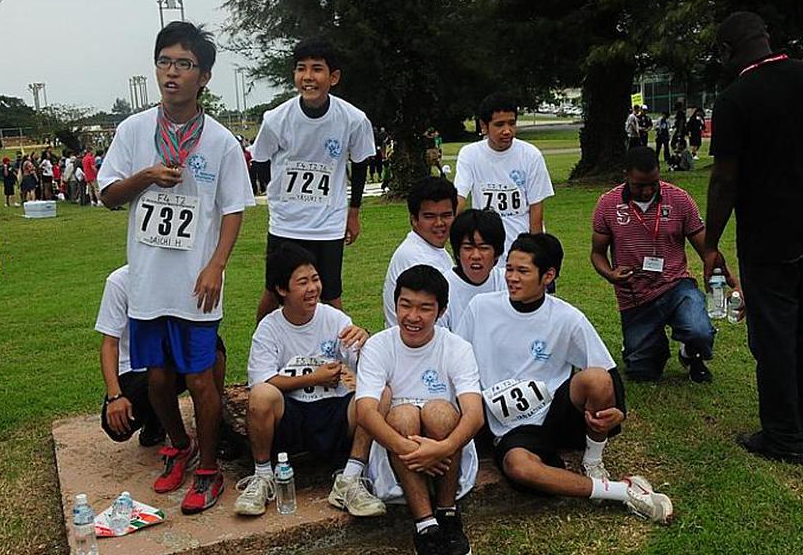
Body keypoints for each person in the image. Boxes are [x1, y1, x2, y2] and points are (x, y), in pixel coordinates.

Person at [98, 21, 255, 514]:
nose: (172, 73)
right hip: (147, 281)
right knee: (159, 379)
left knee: (202, 379)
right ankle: (178, 444)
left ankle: (208, 469)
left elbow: (233, 209)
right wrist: (144, 176)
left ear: (203, 76)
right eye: (164, 62)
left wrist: (217, 265)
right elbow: (106, 195)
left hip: (197, 285)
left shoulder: (222, 143)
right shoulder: (133, 131)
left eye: (184, 64)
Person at [705, 11, 803, 464]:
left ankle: (784, 436)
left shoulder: (735, 100)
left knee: (774, 335)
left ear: (728, 52)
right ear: (767, 37)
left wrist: (711, 243)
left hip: (770, 238)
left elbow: (725, 179)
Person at [456, 233, 673, 525]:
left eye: (523, 271)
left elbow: (606, 370)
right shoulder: (480, 308)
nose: (512, 278)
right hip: (509, 424)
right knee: (519, 468)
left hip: (557, 411)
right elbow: (456, 361)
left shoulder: (567, 317)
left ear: (548, 275)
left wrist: (617, 412)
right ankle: (622, 492)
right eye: (509, 268)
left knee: (595, 379)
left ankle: (594, 461)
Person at [234, 243, 385, 518]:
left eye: (315, 279)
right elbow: (262, 380)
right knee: (261, 396)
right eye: (302, 282)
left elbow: (367, 366)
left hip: (335, 411)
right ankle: (263, 476)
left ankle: (350, 478)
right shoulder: (270, 327)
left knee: (381, 393)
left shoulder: (334, 318)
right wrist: (312, 378)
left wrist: (365, 339)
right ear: (282, 289)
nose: (313, 288)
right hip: (293, 416)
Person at [358, 265, 484, 555]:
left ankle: (447, 511)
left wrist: (442, 448)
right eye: (406, 305)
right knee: (403, 415)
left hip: (447, 450)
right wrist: (412, 449)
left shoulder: (457, 347)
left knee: (439, 410)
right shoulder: (378, 346)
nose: (413, 317)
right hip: (396, 452)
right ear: (395, 303)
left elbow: (474, 413)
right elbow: (365, 411)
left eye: (425, 308)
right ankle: (425, 524)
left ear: (441, 311)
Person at [250, 38, 376, 324]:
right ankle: (261, 356)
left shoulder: (353, 119)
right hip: (286, 223)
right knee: (274, 293)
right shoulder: (277, 118)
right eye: (301, 69)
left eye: (317, 69)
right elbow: (260, 159)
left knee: (330, 295)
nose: (308, 77)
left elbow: (359, 164)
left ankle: (340, 360)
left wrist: (353, 213)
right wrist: (278, 196)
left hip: (327, 225)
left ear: (333, 77)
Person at [591, 147, 727, 383]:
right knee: (641, 373)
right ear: (626, 176)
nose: (647, 191)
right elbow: (597, 254)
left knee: (699, 331)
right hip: (635, 295)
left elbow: (708, 249)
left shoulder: (679, 199)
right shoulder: (608, 204)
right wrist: (610, 274)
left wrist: (731, 282)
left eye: (653, 183)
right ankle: (646, 348)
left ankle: (691, 354)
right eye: (639, 185)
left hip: (675, 286)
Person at [95, 265, 231, 449]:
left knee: (213, 346)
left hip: (179, 357)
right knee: (118, 427)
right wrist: (114, 396)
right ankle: (158, 419)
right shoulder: (120, 281)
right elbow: (109, 344)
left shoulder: (193, 273)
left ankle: (214, 420)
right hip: (136, 367)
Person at [454, 92, 554, 265]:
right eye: (499, 125)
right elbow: (459, 198)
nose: (507, 131)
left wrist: (536, 253)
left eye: (512, 123)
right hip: (487, 249)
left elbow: (536, 208)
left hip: (521, 247)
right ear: (484, 126)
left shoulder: (531, 155)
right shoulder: (469, 154)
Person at [382, 177, 456, 328]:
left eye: (446, 215)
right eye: (430, 216)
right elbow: (438, 323)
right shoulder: (417, 258)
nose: (439, 223)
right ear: (414, 220)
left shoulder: (431, 249)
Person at [437, 209, 507, 330]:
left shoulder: (507, 282)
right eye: (468, 248)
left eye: (484, 248)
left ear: (496, 253)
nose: (476, 256)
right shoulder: (442, 288)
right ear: (458, 252)